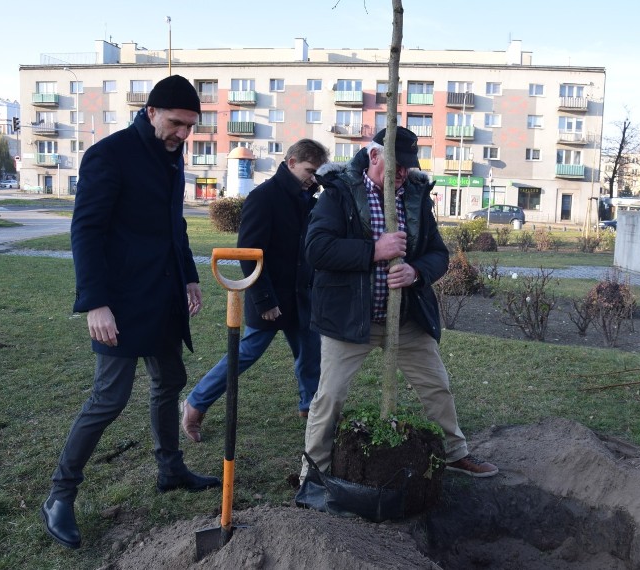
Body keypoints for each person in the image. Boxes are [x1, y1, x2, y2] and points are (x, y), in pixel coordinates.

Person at [41, 75, 220, 551]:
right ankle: (60, 495)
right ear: (151, 112)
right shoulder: (109, 154)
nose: (183, 134)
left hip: (162, 296)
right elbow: (86, 230)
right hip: (118, 303)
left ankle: (170, 468)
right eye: (177, 124)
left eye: (190, 127)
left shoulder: (171, 156)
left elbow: (172, 223)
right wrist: (95, 302)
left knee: (169, 382)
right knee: (108, 399)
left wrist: (188, 275)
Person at [300, 127, 499, 482]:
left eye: (408, 166)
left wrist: (416, 272)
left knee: (437, 386)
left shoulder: (416, 196)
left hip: (404, 319)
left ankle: (455, 453)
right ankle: (314, 473)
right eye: (397, 165)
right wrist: (374, 251)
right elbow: (317, 249)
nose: (403, 173)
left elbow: (438, 254)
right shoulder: (339, 192)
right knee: (328, 397)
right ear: (374, 156)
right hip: (349, 320)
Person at [181, 139, 330, 441]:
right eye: (309, 171)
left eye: (317, 173)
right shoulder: (264, 198)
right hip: (270, 298)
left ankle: (311, 409)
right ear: (290, 162)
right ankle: (194, 404)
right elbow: (248, 254)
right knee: (245, 354)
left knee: (311, 354)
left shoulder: (308, 199)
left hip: (302, 298)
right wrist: (264, 300)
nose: (313, 178)